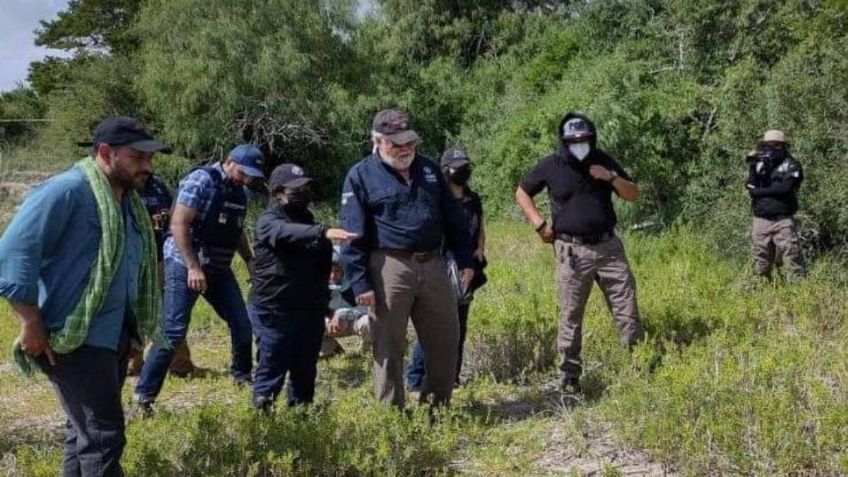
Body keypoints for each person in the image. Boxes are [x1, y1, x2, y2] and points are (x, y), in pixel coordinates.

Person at [0, 116, 167, 476]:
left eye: (150, 158)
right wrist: (30, 320)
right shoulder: (67, 191)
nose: (148, 167)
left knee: (83, 436)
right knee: (104, 436)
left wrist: (132, 332)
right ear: (106, 153)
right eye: (138, 157)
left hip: (112, 337)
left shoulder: (127, 203)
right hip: (73, 340)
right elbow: (14, 251)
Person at [340, 108, 474, 408]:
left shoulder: (429, 170)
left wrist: (466, 260)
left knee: (446, 339)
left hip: (433, 263)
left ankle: (436, 408)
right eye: (396, 143)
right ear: (377, 140)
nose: (405, 150)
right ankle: (392, 414)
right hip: (389, 265)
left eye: (410, 142)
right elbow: (351, 236)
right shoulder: (360, 175)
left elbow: (454, 219)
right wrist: (361, 283)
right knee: (388, 344)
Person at [515, 112, 644, 395]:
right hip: (571, 250)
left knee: (627, 309)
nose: (580, 143)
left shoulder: (603, 159)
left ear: (592, 137)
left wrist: (609, 177)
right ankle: (569, 376)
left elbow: (633, 193)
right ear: (564, 141)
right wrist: (539, 224)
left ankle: (639, 365)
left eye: (584, 139)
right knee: (571, 314)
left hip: (609, 248)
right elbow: (522, 192)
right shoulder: (551, 165)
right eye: (573, 140)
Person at [134, 144, 264, 412]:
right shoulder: (201, 180)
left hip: (218, 267)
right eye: (242, 172)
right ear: (229, 162)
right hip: (185, 262)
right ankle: (143, 396)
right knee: (173, 329)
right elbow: (178, 223)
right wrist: (193, 267)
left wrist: (249, 259)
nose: (245, 179)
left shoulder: (241, 193)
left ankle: (242, 376)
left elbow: (235, 230)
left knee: (242, 323)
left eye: (250, 176)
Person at [250, 164, 357, 409]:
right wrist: (323, 232)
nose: (304, 192)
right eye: (296, 188)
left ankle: (301, 416)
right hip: (274, 309)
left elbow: (321, 272)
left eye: (306, 187)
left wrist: (326, 307)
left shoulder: (311, 224)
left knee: (305, 367)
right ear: (278, 193)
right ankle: (262, 414)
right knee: (273, 361)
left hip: (308, 309)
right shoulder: (269, 221)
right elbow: (287, 233)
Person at [406, 146, 487, 391]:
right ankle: (416, 378)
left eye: (466, 166)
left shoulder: (473, 198)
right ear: (446, 170)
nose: (464, 171)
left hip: (467, 267)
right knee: (434, 326)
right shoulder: (436, 198)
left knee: (460, 324)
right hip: (441, 264)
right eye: (458, 167)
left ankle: (453, 376)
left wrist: (480, 249)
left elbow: (480, 225)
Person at [126, 173, 197, 377]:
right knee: (134, 311)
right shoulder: (125, 182)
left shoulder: (157, 184)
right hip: (133, 257)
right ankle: (134, 361)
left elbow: (174, 212)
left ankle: (180, 363)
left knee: (169, 309)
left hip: (159, 256)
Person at [745, 129, 806, 281]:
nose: (772, 149)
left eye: (776, 145)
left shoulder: (792, 165)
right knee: (761, 258)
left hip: (783, 219)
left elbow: (785, 188)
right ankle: (763, 289)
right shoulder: (759, 165)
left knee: (792, 256)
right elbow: (749, 186)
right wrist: (753, 164)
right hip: (761, 219)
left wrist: (759, 192)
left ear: (783, 146)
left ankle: (800, 291)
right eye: (768, 145)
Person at [319, 246, 372, 358]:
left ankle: (369, 350)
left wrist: (340, 313)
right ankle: (331, 351)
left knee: (369, 322)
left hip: (354, 322)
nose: (333, 276)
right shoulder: (317, 286)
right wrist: (325, 318)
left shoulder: (355, 283)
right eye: (330, 271)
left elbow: (365, 308)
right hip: (331, 325)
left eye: (337, 271)